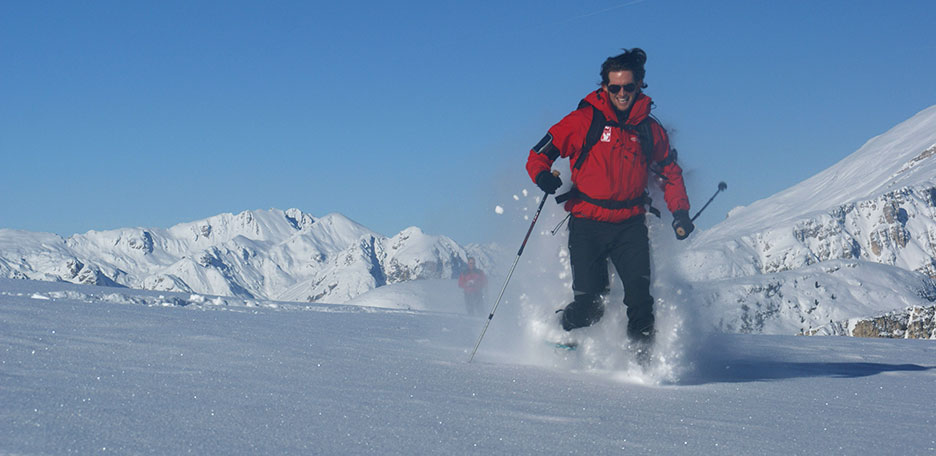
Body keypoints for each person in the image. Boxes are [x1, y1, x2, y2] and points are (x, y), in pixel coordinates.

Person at [524, 48, 694, 354]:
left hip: (630, 225)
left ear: (640, 84)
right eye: (615, 88)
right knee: (591, 306)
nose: (622, 94)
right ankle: (562, 327)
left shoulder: (649, 129)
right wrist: (542, 176)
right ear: (604, 87)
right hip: (587, 224)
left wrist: (680, 211)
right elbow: (539, 155)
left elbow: (669, 171)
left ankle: (644, 368)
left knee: (641, 301)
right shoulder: (583, 120)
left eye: (628, 87)